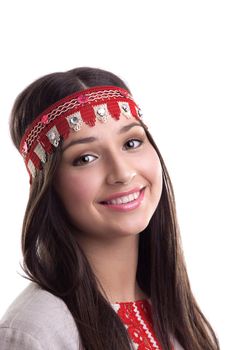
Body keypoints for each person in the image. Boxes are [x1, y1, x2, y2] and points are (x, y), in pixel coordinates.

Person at [0, 67, 220, 350]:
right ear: (48, 185)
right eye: (86, 158)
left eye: (131, 142)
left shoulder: (184, 321)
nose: (122, 172)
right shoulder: (35, 332)